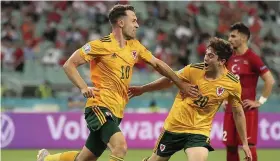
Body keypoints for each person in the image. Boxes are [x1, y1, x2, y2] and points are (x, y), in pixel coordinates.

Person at [36, 4, 192, 161]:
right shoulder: (101, 45)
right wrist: (83, 87)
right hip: (99, 106)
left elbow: (158, 64)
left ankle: (47, 159)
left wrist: (180, 83)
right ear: (121, 23)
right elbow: (69, 64)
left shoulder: (135, 46)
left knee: (85, 158)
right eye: (134, 21)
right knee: (120, 147)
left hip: (117, 111)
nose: (137, 25)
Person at [129, 37, 252, 161]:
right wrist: (143, 89)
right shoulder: (193, 70)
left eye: (210, 56)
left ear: (221, 61)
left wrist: (245, 144)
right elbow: (170, 80)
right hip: (174, 126)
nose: (205, 58)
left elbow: (238, 112)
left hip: (199, 131)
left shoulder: (232, 83)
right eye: (206, 54)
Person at [223, 22, 275, 161]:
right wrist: (223, 99)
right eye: (229, 36)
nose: (229, 39)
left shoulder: (252, 58)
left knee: (249, 146)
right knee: (230, 146)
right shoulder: (228, 58)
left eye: (233, 36)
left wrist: (260, 101)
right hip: (230, 110)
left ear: (244, 38)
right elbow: (224, 81)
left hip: (247, 110)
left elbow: (270, 80)